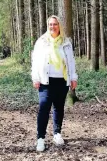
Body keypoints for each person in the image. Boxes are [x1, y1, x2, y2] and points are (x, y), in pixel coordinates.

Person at [31, 15, 78, 152]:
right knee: (44, 107)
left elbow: (71, 61)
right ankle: (40, 138)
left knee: (59, 107)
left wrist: (73, 77)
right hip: (45, 80)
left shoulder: (66, 42)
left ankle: (57, 133)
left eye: (55, 24)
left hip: (62, 80)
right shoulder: (42, 41)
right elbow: (35, 61)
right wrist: (35, 78)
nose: (53, 27)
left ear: (59, 26)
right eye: (50, 24)